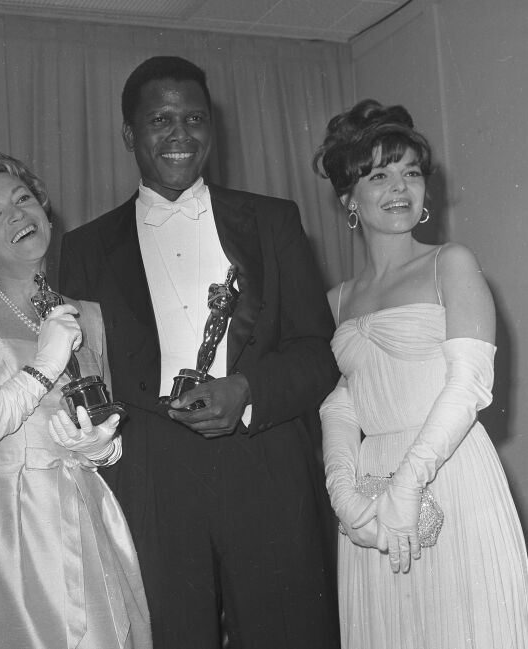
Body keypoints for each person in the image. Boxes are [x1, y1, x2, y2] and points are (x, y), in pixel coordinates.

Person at [59, 56, 340, 648]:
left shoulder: (272, 220)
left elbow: (318, 351)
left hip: (264, 458)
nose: (180, 134)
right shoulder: (84, 248)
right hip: (150, 473)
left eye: (194, 118)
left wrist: (246, 391)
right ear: (130, 135)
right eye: (161, 120)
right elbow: (84, 376)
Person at [314, 99, 528, 648]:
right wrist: (344, 494)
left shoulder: (449, 263)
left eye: (411, 172)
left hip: (447, 471)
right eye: (379, 174)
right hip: (371, 489)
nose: (399, 187)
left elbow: (469, 384)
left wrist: (409, 484)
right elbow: (340, 404)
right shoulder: (335, 300)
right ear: (348, 198)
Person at [0, 150, 151, 649]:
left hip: (85, 515)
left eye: (23, 199)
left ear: (45, 209)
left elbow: (102, 428)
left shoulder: (89, 315)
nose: (18, 215)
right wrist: (43, 366)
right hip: (0, 524)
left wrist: (99, 449)